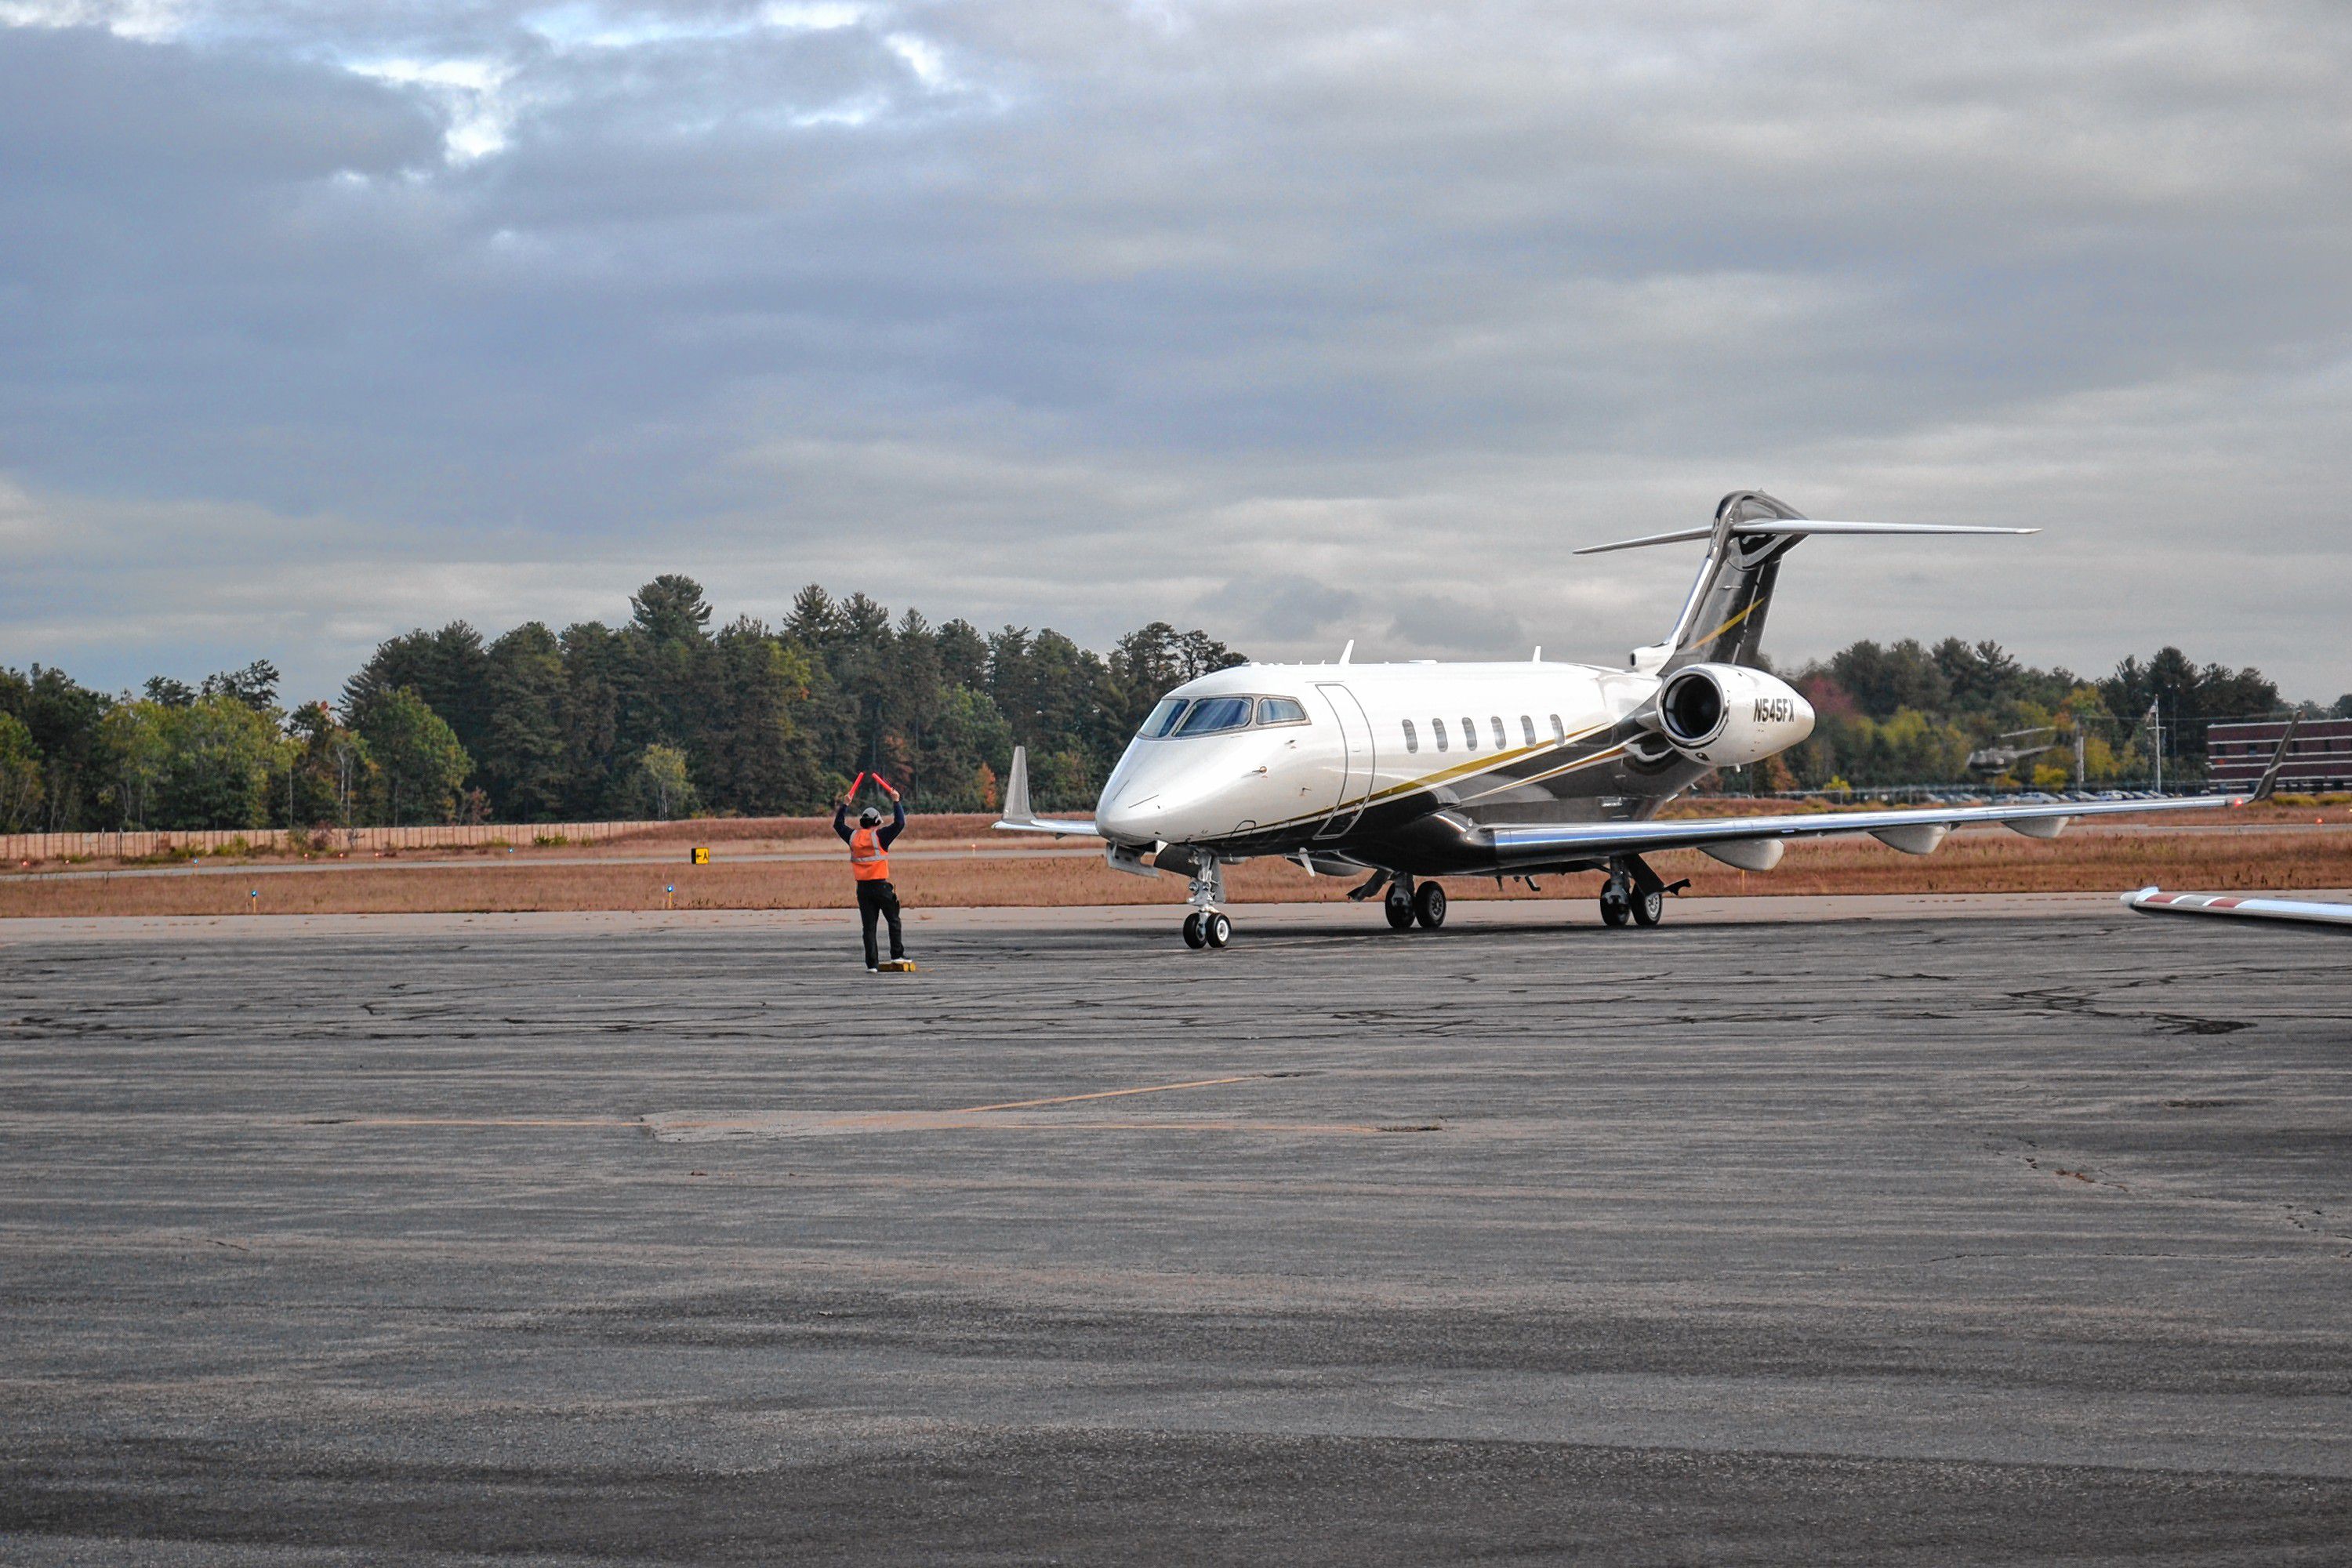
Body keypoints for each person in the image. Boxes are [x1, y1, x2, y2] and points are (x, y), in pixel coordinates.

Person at [834, 780, 908, 971]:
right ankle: (897, 955)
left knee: (869, 928)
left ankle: (872, 964)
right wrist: (896, 801)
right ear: (876, 822)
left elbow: (838, 825)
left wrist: (845, 804)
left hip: (863, 889)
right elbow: (900, 823)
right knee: (893, 919)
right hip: (881, 887)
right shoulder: (880, 837)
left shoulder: (853, 837)